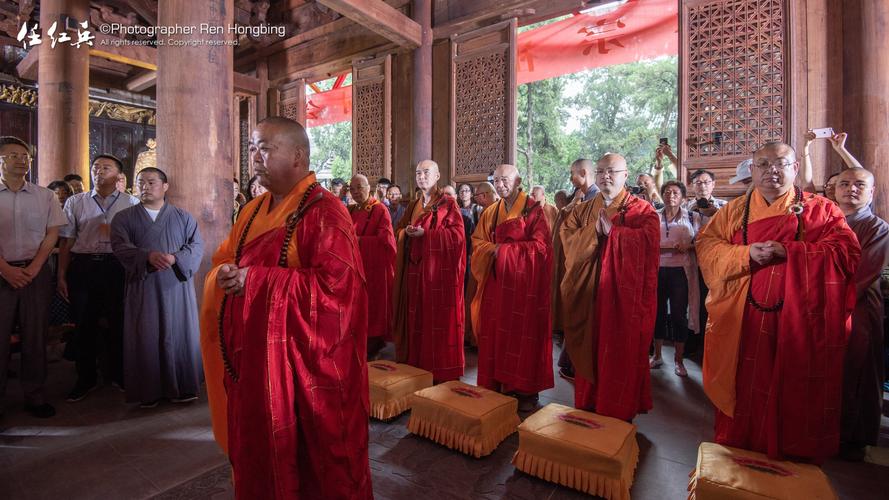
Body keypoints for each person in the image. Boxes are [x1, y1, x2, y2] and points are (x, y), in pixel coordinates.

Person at [199, 117, 372, 498]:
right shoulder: (252, 211)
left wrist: (256, 281)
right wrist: (225, 275)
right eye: (251, 149)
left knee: (316, 466)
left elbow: (338, 293)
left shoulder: (326, 212)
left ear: (298, 155)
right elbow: (224, 260)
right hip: (255, 361)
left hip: (306, 372)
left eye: (265, 148)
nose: (254, 157)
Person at [696, 142, 860, 463]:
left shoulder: (821, 209)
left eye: (781, 164)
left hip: (798, 323)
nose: (772, 170)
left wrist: (792, 252)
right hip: (743, 319)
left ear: (795, 168)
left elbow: (846, 253)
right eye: (764, 164)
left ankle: (790, 457)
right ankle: (738, 451)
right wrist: (744, 254)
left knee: (792, 390)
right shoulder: (732, 212)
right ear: (753, 170)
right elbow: (707, 248)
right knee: (743, 386)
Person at [560, 153, 659, 420]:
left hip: (623, 298)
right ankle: (588, 401)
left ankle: (618, 408)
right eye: (601, 171)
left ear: (625, 175)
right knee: (589, 346)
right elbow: (567, 240)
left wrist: (615, 234)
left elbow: (650, 244)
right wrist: (593, 233)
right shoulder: (582, 209)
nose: (606, 176)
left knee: (619, 351)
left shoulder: (642, 210)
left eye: (612, 172)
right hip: (590, 293)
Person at [111, 168, 204, 408]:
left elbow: (196, 246)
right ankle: (148, 390)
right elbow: (120, 247)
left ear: (165, 186)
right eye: (140, 182)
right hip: (144, 283)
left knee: (180, 332)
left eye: (152, 182)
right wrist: (146, 256)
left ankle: (183, 387)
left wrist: (175, 259)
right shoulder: (124, 218)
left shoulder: (183, 217)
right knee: (145, 334)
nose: (145, 186)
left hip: (175, 284)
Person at [470, 164, 553, 411]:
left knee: (522, 336)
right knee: (495, 333)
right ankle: (496, 384)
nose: (500, 184)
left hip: (523, 287)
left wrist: (504, 251)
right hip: (496, 284)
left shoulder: (533, 211)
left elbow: (542, 249)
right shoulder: (491, 211)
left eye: (505, 180)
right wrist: (492, 250)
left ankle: (523, 389)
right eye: (496, 180)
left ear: (518, 181)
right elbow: (477, 242)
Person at [59, 154, 139, 402]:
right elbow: (67, 240)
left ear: (118, 175)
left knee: (119, 322)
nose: (99, 171)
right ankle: (86, 378)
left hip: (117, 267)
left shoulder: (132, 202)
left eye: (106, 167)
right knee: (84, 324)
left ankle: (118, 374)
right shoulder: (76, 201)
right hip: (84, 267)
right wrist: (61, 274)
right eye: (95, 167)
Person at [0, 136, 67, 418]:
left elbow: (53, 234)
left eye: (25, 155)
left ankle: (35, 395)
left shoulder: (45, 195)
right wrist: (5, 269)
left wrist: (36, 267)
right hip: (2, 272)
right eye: (13, 155)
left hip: (35, 273)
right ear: (1, 160)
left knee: (36, 335)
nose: (21, 159)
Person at [392, 160, 465, 382]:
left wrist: (427, 235)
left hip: (436, 276)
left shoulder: (448, 204)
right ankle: (415, 367)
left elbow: (458, 237)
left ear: (437, 176)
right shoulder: (414, 205)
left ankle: (438, 371)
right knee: (416, 320)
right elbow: (399, 230)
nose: (421, 177)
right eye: (418, 173)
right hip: (414, 272)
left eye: (426, 173)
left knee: (435, 323)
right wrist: (407, 232)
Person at [835, 167, 888, 460]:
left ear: (871, 191)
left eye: (859, 185)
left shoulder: (877, 228)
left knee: (858, 372)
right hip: (823, 308)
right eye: (844, 184)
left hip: (858, 309)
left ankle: (853, 438)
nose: (850, 189)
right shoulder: (826, 222)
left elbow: (862, 275)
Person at [553, 159, 601, 380]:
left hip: (590, 266)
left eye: (573, 174)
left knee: (584, 317)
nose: (571, 178)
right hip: (575, 261)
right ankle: (571, 363)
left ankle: (579, 366)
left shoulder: (596, 199)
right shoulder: (581, 198)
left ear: (583, 172)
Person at [650, 181, 702, 377]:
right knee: (658, 313)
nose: (671, 195)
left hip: (680, 271)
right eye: (667, 192)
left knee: (679, 314)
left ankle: (679, 361)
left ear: (682, 197)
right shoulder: (654, 217)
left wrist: (688, 247)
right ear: (662, 195)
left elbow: (702, 242)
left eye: (675, 192)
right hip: (658, 270)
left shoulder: (692, 216)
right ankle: (657, 356)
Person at [349, 174, 396, 358]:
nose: (356, 192)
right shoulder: (351, 210)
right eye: (352, 189)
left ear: (369, 187)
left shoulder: (379, 210)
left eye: (359, 187)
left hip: (374, 269)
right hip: (354, 268)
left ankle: (374, 341)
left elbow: (387, 242)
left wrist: (361, 242)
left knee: (373, 307)